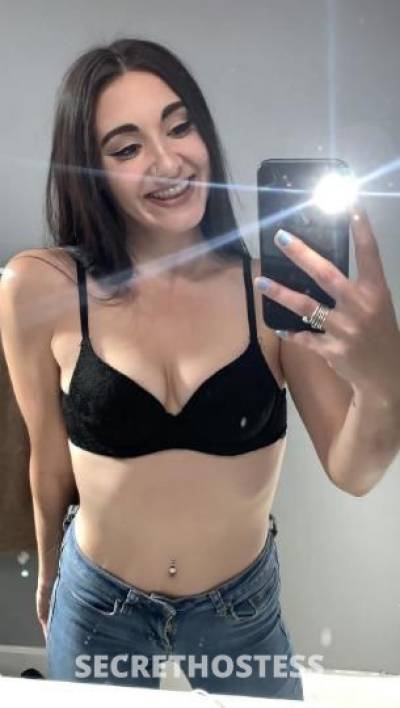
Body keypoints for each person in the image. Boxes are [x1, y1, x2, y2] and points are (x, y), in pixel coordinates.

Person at [2, 36, 399, 700]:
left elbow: (353, 471)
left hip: (239, 610)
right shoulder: (40, 288)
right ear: (89, 171)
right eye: (126, 148)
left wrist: (385, 377)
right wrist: (49, 572)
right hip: (98, 602)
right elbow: (48, 456)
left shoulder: (275, 292)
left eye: (179, 126)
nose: (168, 161)